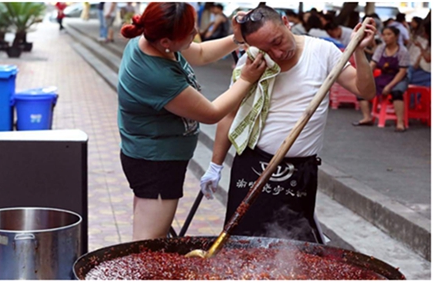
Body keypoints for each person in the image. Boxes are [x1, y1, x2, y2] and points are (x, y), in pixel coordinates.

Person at [200, 5, 376, 244]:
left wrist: (358, 52)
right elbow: (231, 115)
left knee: (296, 251)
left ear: (286, 22)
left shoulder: (322, 51)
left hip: (299, 171)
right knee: (242, 246)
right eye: (266, 49)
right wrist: (215, 166)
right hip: (253, 165)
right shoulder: (252, 61)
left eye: (278, 41)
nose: (277, 53)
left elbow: (364, 91)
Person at [117, 2, 267, 241]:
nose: (194, 35)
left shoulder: (154, 41)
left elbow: (199, 53)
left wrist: (236, 39)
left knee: (151, 237)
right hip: (155, 162)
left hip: (152, 157)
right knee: (148, 242)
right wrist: (246, 79)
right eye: (189, 34)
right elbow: (211, 113)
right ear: (167, 41)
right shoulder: (157, 75)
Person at [353, 26, 410, 132]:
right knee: (361, 89)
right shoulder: (381, 49)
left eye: (389, 34)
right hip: (384, 76)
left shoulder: (403, 51)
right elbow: (372, 65)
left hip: (398, 78)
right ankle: (367, 117)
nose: (386, 37)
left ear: (396, 36)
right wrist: (363, 78)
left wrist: (389, 86)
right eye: (384, 35)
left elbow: (402, 72)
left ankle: (400, 123)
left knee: (397, 92)